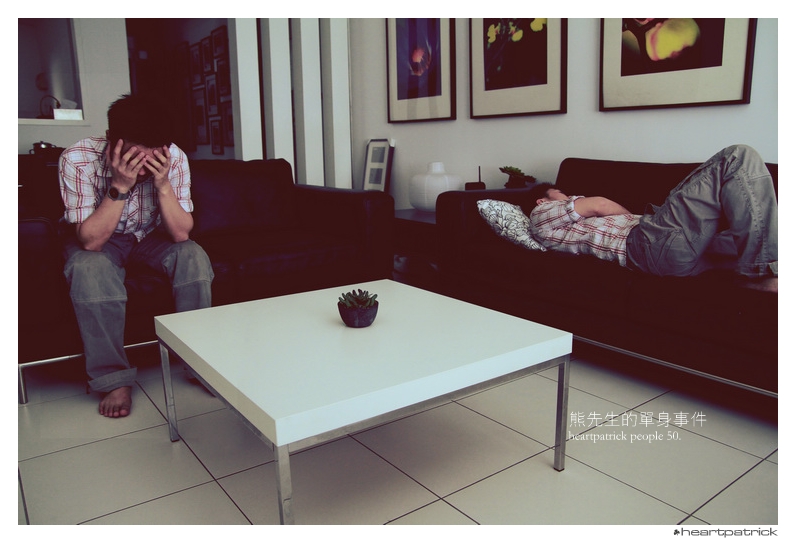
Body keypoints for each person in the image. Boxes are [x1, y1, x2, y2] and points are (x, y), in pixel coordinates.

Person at [59, 94, 214, 418]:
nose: (142, 168)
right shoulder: (77, 158)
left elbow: (181, 234)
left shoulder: (174, 157)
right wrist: (120, 186)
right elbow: (91, 242)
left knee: (192, 256)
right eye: (133, 157)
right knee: (88, 268)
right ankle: (113, 380)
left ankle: (199, 361)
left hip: (153, 236)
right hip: (103, 237)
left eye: (152, 158)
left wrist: (163, 184)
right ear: (111, 140)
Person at [529, 144, 777, 291]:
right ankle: (763, 274)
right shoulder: (541, 214)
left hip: (672, 256)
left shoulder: (565, 225)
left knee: (755, 229)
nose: (570, 196)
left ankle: (761, 271)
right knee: (737, 156)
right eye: (562, 193)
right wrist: (642, 222)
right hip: (646, 244)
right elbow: (599, 204)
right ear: (543, 200)